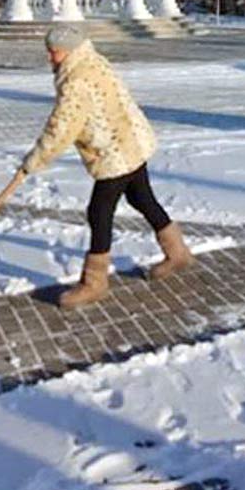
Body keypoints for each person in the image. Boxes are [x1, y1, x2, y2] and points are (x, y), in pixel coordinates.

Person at [18, 25, 193, 307]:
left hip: (116, 151)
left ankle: (94, 283)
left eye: (54, 53)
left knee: (99, 212)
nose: (51, 59)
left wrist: (34, 161)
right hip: (132, 140)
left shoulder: (76, 81)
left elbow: (61, 129)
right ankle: (178, 252)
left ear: (70, 50)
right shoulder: (93, 60)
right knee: (140, 197)